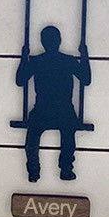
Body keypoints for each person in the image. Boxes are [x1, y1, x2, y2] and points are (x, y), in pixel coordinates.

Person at [16, 25, 91, 182]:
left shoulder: (37, 61)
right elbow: (86, 79)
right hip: (63, 109)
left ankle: (34, 171)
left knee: (32, 141)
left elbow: (20, 80)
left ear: (42, 42)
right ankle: (66, 169)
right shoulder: (68, 61)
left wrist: (24, 58)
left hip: (43, 108)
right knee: (68, 137)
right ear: (59, 40)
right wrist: (85, 56)